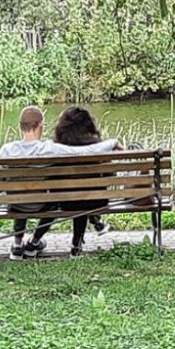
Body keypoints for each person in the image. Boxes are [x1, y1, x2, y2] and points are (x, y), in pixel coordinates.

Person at [0, 105, 119, 260]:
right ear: (40, 126)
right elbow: (83, 153)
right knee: (60, 201)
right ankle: (42, 242)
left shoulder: (6, 149)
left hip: (17, 204)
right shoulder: (49, 149)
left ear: (20, 126)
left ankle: (18, 245)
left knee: (22, 195)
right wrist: (111, 143)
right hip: (48, 204)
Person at [53, 106, 114, 257]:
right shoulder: (98, 147)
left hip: (66, 202)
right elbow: (110, 175)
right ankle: (83, 235)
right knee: (84, 196)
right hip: (97, 201)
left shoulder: (57, 149)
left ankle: (78, 242)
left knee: (77, 196)